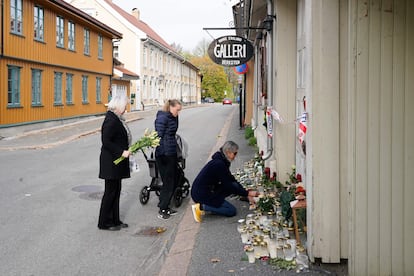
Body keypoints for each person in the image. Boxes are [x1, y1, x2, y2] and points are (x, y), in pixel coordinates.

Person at [190, 141, 259, 222]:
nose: (235, 156)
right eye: (235, 153)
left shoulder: (222, 161)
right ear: (228, 152)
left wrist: (246, 193)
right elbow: (228, 185)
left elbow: (231, 180)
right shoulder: (219, 164)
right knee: (231, 211)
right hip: (202, 194)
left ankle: (214, 204)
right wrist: (248, 193)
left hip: (206, 189)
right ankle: (201, 207)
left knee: (233, 185)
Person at [98, 94, 131, 231]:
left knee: (116, 191)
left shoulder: (116, 118)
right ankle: (104, 222)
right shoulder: (111, 120)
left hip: (116, 162)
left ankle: (115, 220)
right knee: (110, 192)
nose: (125, 109)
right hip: (111, 162)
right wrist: (121, 152)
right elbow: (106, 141)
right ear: (118, 106)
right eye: (124, 106)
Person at [154, 99, 182, 219]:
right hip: (165, 153)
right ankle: (163, 209)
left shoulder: (172, 117)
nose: (178, 112)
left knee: (170, 179)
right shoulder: (163, 117)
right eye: (177, 110)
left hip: (170, 151)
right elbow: (158, 134)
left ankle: (163, 203)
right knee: (168, 181)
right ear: (170, 107)